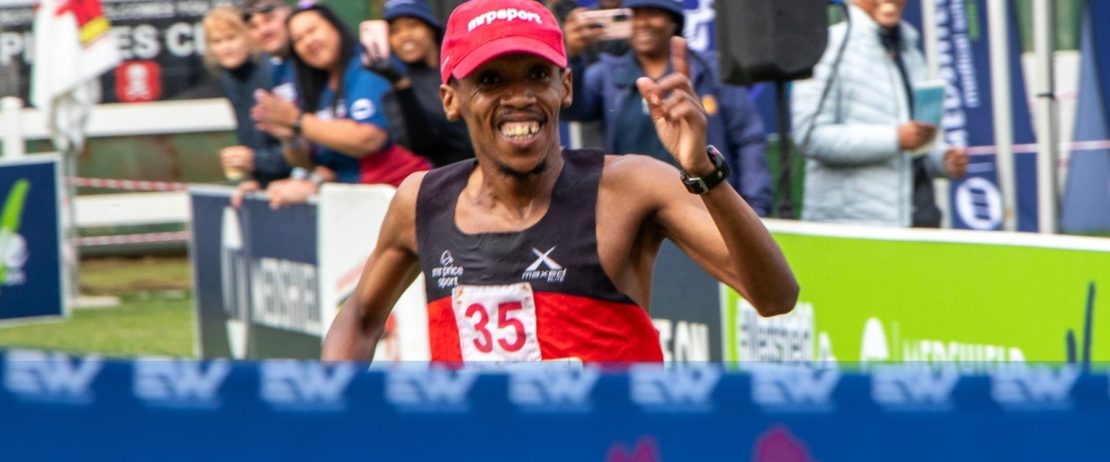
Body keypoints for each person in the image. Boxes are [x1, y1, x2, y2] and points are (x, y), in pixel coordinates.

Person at [322, 0, 798, 364]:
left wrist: (705, 172)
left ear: (565, 87)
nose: (519, 98)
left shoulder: (630, 186)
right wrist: (332, 413)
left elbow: (775, 297)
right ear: (451, 99)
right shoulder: (420, 200)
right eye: (490, 81)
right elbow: (360, 318)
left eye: (537, 75)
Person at [561, 0, 774, 217]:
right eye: (634, 15)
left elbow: (748, 139)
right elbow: (573, 107)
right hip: (633, 216)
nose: (643, 23)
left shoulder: (711, 71)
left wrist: (754, 209)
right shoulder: (606, 74)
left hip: (706, 212)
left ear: (673, 20)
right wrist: (573, 57)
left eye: (653, 13)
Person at [791, 0, 969, 227]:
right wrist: (896, 138)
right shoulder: (827, 47)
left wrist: (941, 159)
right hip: (855, 228)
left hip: (920, 220)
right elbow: (809, 136)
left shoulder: (909, 48)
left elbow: (914, 137)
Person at [250, 4, 431, 207]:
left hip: (405, 198)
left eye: (312, 30)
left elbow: (369, 139)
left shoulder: (366, 66)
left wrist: (297, 121)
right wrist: (290, 138)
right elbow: (310, 162)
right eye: (298, 40)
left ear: (335, 27)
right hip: (355, 205)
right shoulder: (317, 87)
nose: (308, 42)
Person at [365, 0, 474, 167]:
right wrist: (401, 86)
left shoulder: (464, 65)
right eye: (394, 31)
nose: (404, 35)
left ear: (431, 28)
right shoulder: (397, 91)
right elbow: (420, 144)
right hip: (457, 178)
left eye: (413, 25)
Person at [203, 6, 291, 192]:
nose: (225, 47)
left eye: (231, 38)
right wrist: (256, 178)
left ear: (249, 37)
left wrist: (255, 160)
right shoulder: (228, 80)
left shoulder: (272, 72)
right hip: (269, 185)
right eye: (217, 41)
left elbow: (297, 145)